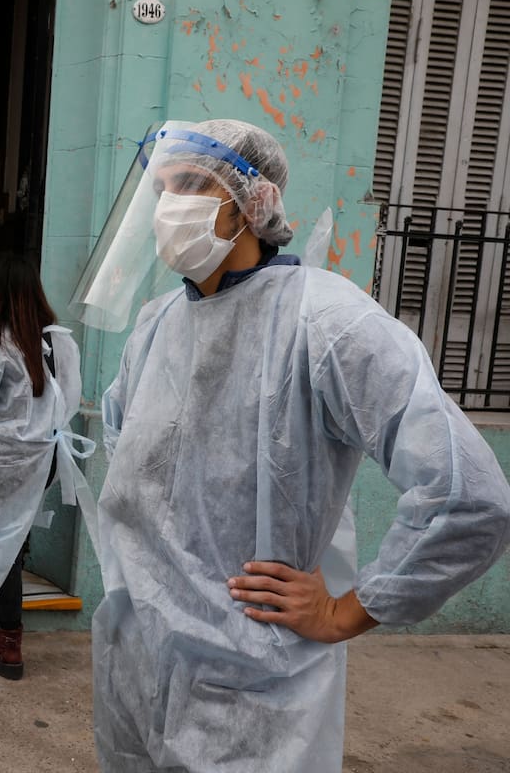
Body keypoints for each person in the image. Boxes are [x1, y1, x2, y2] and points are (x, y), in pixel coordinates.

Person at [87, 119, 510, 771]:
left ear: (255, 204)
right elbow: (127, 448)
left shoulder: (328, 322)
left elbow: (468, 492)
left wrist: (349, 610)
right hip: (137, 664)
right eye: (162, 185)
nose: (169, 203)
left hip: (249, 691)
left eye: (193, 183)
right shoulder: (157, 323)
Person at [0, 254, 87, 680]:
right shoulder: (62, 340)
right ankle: (0, 571)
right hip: (45, 455)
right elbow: (72, 399)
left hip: (4, 457)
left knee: (1, 537)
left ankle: (8, 644)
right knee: (14, 529)